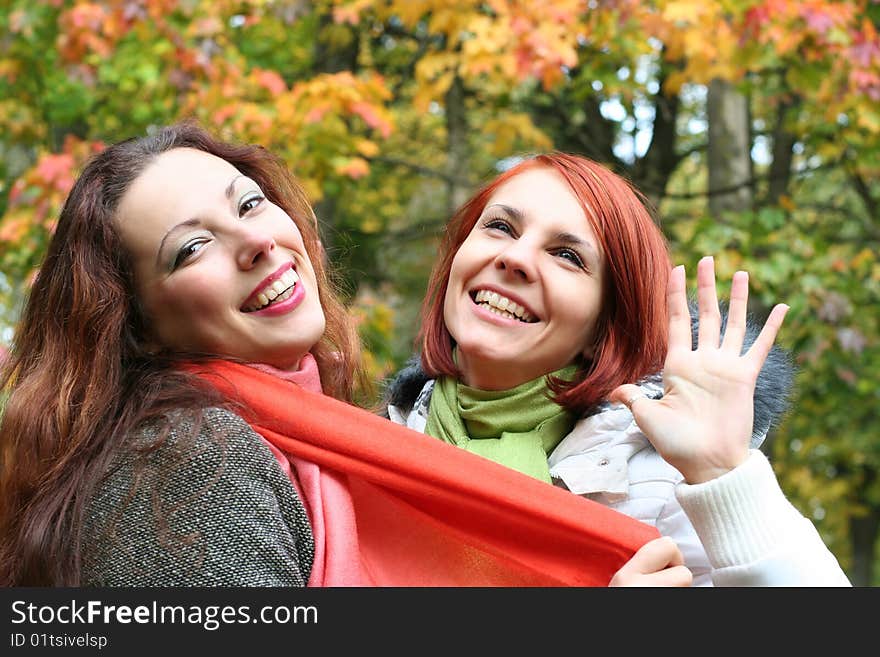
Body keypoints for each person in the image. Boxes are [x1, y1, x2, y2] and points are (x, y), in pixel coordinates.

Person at [0, 122, 688, 587]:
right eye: (191, 247)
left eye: (249, 203)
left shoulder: (329, 439)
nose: (258, 241)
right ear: (140, 326)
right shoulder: (184, 460)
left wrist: (722, 471)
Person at [384, 153, 851, 586]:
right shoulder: (371, 445)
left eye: (567, 255)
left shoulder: (661, 487)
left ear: (603, 329)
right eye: (501, 227)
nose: (516, 257)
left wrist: (722, 476)